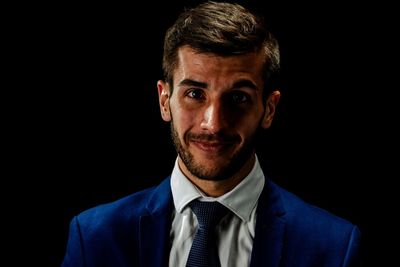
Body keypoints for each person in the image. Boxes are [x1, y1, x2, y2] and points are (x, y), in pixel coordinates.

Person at [61, 1, 361, 266]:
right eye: (195, 93)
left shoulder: (334, 247)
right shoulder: (94, 237)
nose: (213, 124)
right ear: (164, 101)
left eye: (239, 98)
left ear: (269, 108)